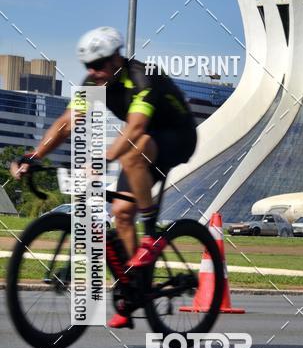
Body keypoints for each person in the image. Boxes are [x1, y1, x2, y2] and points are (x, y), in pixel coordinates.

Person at [11, 27, 197, 329]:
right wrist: (35, 156)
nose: (93, 72)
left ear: (115, 59)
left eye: (98, 65)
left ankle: (150, 236)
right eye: (88, 66)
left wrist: (103, 158)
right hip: (144, 142)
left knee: (132, 151)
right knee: (121, 213)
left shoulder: (142, 77)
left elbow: (135, 128)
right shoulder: (93, 83)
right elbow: (66, 123)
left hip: (177, 136)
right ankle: (134, 289)